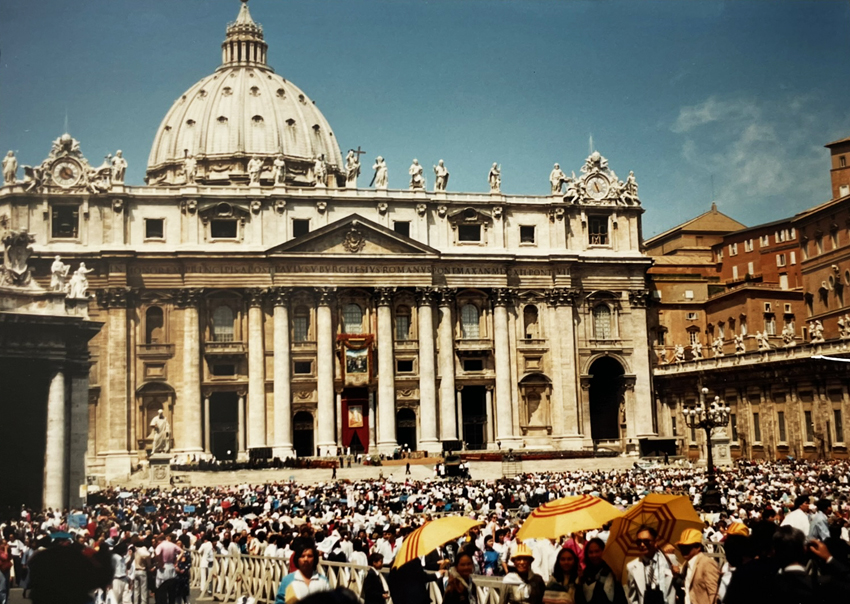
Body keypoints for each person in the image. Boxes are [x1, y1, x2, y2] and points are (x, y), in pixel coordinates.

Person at [625, 526, 676, 604]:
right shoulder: (632, 566)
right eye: (639, 542)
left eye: (646, 541)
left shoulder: (669, 560)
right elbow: (632, 598)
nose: (642, 545)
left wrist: (677, 574)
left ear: (655, 542)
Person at [675, 529, 719, 604]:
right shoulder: (686, 565)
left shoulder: (706, 563)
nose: (683, 550)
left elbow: (714, 593)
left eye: (687, 547)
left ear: (698, 547)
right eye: (681, 547)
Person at [577, 538, 625, 604]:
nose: (594, 555)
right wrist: (580, 581)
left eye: (597, 551)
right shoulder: (585, 573)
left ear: (604, 551)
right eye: (590, 552)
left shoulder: (612, 571)